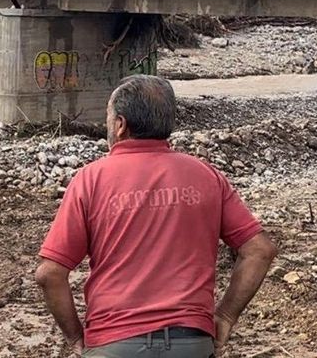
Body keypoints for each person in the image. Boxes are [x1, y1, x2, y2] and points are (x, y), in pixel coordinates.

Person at [35, 75, 278, 358]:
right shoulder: (206, 175)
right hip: (192, 342)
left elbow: (50, 273)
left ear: (120, 124)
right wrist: (224, 317)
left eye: (108, 117)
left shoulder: (90, 180)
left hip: (113, 343)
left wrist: (76, 337)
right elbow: (260, 250)